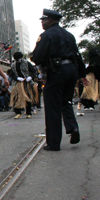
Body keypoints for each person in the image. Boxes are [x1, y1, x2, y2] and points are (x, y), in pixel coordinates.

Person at [32, 9, 87, 151]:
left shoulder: (46, 35)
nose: (42, 23)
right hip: (71, 71)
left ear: (49, 20)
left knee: (52, 107)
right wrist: (82, 75)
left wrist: (36, 59)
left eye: (43, 20)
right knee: (66, 101)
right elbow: (77, 55)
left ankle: (54, 143)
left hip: (56, 71)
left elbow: (38, 56)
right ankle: (72, 127)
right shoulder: (69, 35)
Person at [8, 52, 38, 119]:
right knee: (16, 97)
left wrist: (30, 77)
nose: (18, 60)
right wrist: (17, 78)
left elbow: (33, 71)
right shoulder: (13, 65)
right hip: (18, 83)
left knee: (28, 96)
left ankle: (29, 112)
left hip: (26, 82)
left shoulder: (26, 63)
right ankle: (18, 112)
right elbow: (12, 74)